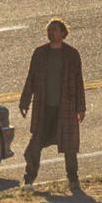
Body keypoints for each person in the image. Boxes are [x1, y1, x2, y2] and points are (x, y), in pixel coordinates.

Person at [19, 18, 86, 191]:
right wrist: (25, 101)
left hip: (66, 107)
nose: (51, 32)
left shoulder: (72, 55)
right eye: (49, 29)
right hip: (44, 107)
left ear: (63, 33)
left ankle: (73, 179)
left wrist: (81, 107)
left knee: (69, 145)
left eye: (55, 29)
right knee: (36, 143)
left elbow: (79, 82)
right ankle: (29, 180)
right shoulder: (40, 53)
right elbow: (31, 78)